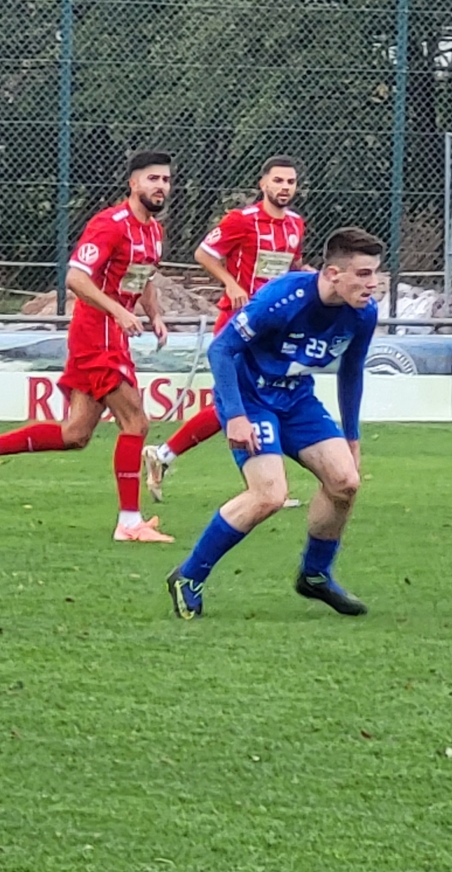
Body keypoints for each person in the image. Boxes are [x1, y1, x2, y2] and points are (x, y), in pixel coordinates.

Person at [0, 150, 174, 543]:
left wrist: (153, 314)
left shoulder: (154, 231)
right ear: (133, 183)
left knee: (76, 434)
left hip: (113, 336)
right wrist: (118, 311)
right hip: (95, 335)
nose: (161, 186)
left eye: (166, 180)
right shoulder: (109, 225)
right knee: (136, 423)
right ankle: (128, 522)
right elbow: (76, 278)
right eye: (152, 178)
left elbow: (144, 278)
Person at [165, 227, 383, 620]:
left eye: (375, 274)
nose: (373, 284)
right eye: (364, 274)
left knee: (345, 482)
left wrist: (352, 437)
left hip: (297, 399)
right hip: (251, 398)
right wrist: (235, 415)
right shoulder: (283, 298)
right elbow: (222, 349)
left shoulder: (363, 313)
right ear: (333, 273)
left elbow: (352, 371)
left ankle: (315, 576)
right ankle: (189, 576)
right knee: (269, 495)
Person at [144, 156, 307, 500]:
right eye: (278, 181)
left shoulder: (295, 224)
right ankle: (263, 486)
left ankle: (164, 455)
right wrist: (231, 284)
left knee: (240, 402)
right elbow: (204, 253)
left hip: (273, 328)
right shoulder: (242, 220)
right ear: (263, 184)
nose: (284, 188)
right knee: (238, 402)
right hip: (238, 321)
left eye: (290, 182)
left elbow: (292, 266)